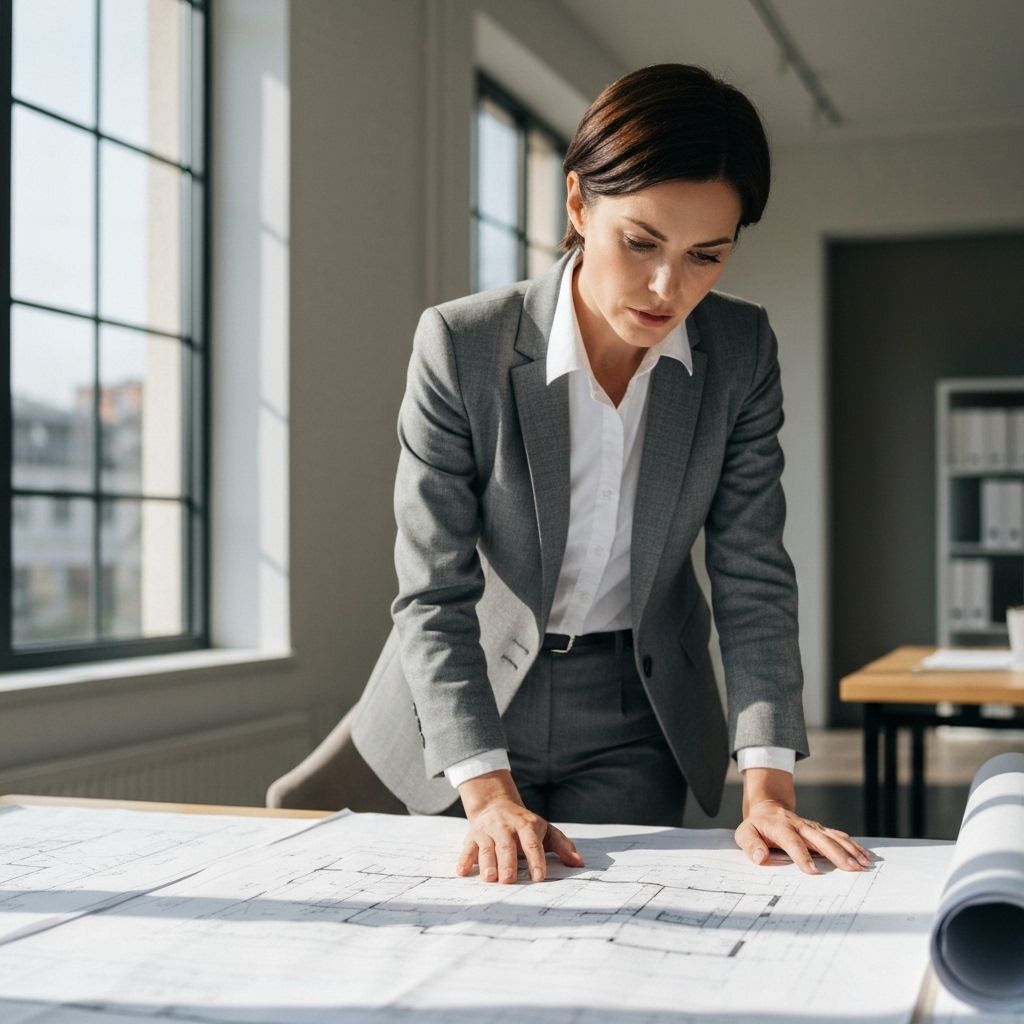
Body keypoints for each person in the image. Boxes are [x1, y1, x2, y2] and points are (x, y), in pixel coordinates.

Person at [351, 63, 871, 884]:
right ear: (577, 205)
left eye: (707, 255)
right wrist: (486, 793)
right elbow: (433, 590)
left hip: (640, 707)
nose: (670, 288)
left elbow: (752, 573)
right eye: (641, 242)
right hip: (470, 701)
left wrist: (767, 786)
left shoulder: (739, 354)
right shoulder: (462, 345)